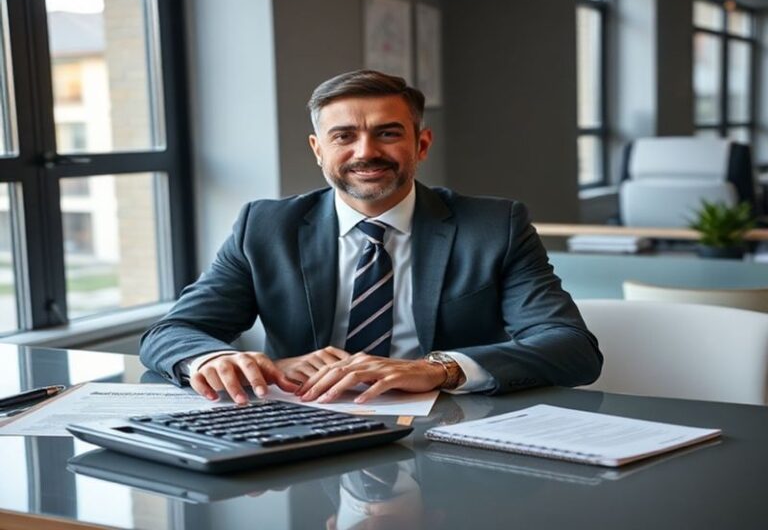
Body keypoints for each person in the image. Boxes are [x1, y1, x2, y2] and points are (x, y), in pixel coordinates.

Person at [140, 69, 602, 405]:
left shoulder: (494, 225)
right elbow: (172, 332)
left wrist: (437, 369)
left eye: (387, 133)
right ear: (318, 150)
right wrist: (213, 360)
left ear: (421, 145)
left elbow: (571, 348)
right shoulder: (264, 226)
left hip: (450, 426)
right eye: (344, 136)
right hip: (303, 420)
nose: (366, 152)